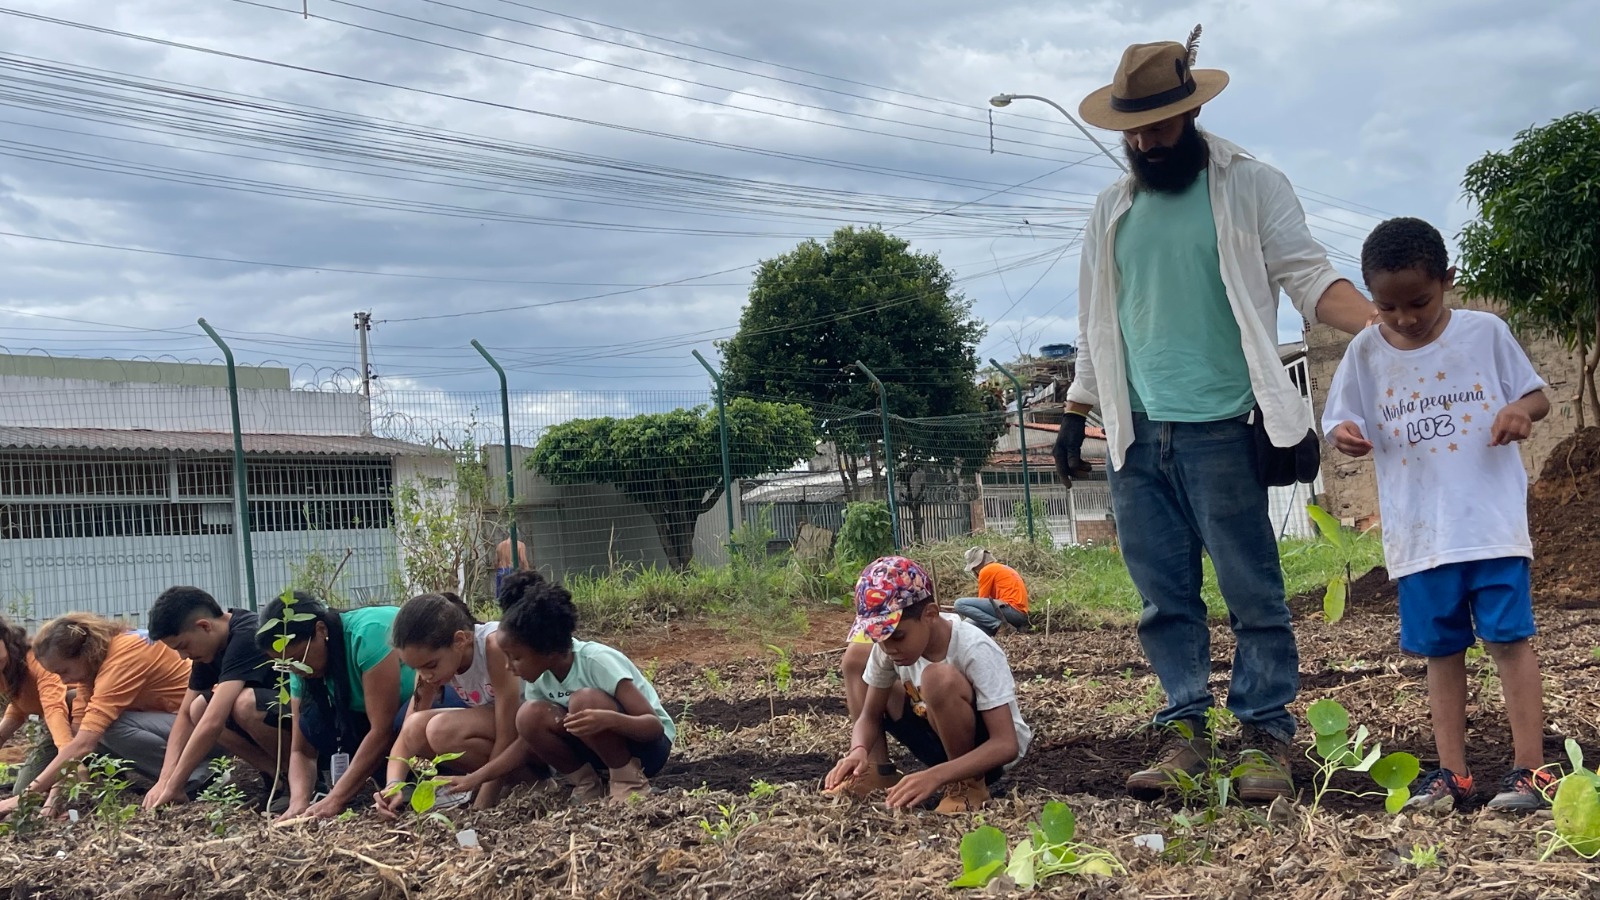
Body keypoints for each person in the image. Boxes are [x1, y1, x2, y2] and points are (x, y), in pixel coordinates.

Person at [1053, 29, 1377, 801]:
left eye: (1158, 126)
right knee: (1164, 598)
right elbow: (1100, 320)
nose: (1142, 140)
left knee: (1253, 590)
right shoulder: (1111, 209)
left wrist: (1385, 325)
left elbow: (1308, 276)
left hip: (1225, 427)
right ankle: (1183, 731)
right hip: (1135, 434)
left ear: (1190, 115)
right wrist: (1078, 406)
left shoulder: (1250, 186)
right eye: (1131, 128)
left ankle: (1264, 735)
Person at [1323, 217, 1553, 812]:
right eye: (1389, 305)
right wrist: (1345, 434)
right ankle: (1454, 776)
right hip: (1420, 535)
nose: (1405, 317)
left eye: (1419, 301)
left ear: (1448, 281)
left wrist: (1520, 412)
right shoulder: (1364, 353)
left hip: (1491, 526)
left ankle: (1533, 770)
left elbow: (1538, 394)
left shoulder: (1485, 333)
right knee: (1440, 652)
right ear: (1372, 296)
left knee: (1510, 641)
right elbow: (1339, 419)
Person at [824, 556, 1031, 814]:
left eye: (898, 636)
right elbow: (869, 715)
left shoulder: (973, 647)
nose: (889, 648)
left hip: (984, 757)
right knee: (857, 656)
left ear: (930, 615)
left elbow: (1006, 745)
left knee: (936, 679)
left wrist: (936, 775)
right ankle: (876, 771)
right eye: (880, 638)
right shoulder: (888, 648)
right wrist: (858, 750)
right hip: (935, 737)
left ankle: (966, 786)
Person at [482, 572, 673, 805]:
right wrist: (477, 778)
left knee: (583, 701)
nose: (508, 666)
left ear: (548, 652)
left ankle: (629, 781)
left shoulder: (596, 661)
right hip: (597, 752)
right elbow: (525, 741)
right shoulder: (540, 678)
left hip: (648, 751)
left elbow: (653, 727)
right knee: (528, 715)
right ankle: (587, 783)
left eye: (516, 658)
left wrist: (609, 719)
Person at [3, 614, 194, 813]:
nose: (63, 680)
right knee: (89, 724)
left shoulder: (124, 657)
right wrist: (54, 798)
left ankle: (192, 777)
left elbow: (85, 742)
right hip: (172, 724)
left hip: (202, 728)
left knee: (105, 728)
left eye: (64, 671)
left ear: (84, 653)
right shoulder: (92, 669)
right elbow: (76, 734)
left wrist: (24, 797)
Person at [254, 593, 416, 821]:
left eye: (298, 658)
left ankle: (416, 779)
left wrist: (335, 799)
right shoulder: (300, 665)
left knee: (402, 722)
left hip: (423, 708)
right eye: (286, 665)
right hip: (369, 721)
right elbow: (301, 749)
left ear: (321, 630)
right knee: (312, 722)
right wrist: (299, 801)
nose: (296, 669)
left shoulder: (368, 633)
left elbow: (382, 729)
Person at [374, 592, 529, 817]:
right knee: (416, 727)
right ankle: (508, 783)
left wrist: (482, 806)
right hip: (502, 739)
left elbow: (508, 734)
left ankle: (528, 781)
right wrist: (393, 787)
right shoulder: (430, 671)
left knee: (441, 730)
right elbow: (406, 736)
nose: (425, 675)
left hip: (532, 737)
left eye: (431, 665)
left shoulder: (494, 647)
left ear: (459, 640)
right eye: (416, 668)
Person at [143, 586, 288, 811]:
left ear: (204, 626)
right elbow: (184, 714)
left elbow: (213, 721)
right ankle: (276, 776)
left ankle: (304, 776)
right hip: (274, 717)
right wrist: (164, 779)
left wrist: (176, 785)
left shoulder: (247, 634)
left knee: (244, 704)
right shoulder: (208, 648)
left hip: (307, 719)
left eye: (183, 646)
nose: (183, 656)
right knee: (197, 709)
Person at [0, 616, 73, 802]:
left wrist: (68, 755)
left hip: (82, 720)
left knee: (71, 700)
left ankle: (90, 768)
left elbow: (54, 709)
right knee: (22, 790)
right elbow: (20, 705)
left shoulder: (35, 660)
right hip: (57, 729)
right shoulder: (7, 669)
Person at [952, 548, 1031, 636]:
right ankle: (1011, 628)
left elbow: (982, 599)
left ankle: (999, 625)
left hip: (1012, 610)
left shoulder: (986, 570)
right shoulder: (1001, 568)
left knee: (959, 604)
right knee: (967, 625)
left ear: (977, 565)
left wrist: (971, 613)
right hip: (1019, 615)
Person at [495, 536, 532, 602]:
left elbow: (496, 562)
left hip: (501, 571)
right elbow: (523, 560)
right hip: (512, 571)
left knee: (500, 596)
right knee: (514, 597)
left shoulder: (500, 545)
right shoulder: (520, 545)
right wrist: (527, 571)